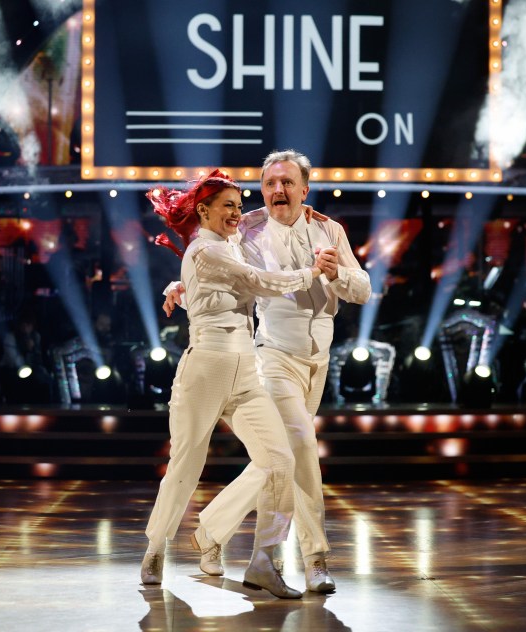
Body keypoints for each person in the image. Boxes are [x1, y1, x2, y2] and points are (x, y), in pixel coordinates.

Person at [164, 150, 371, 593]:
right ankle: (309, 558)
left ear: (304, 189)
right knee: (302, 455)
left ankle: (211, 530)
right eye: (270, 183)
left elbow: (363, 289)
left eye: (287, 183)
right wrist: (179, 286)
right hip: (272, 356)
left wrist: (337, 277)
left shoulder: (328, 229)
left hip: (318, 361)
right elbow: (211, 261)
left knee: (276, 461)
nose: (278, 191)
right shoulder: (247, 227)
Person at [141, 168, 332, 600]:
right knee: (186, 466)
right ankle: (156, 547)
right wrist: (311, 274)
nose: (237, 212)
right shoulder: (204, 250)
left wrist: (182, 286)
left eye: (239, 205)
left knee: (280, 462)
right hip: (206, 368)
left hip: (247, 369)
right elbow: (257, 281)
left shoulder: (227, 247)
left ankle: (263, 559)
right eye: (228, 205)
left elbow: (228, 281)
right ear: (203, 210)